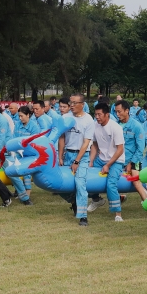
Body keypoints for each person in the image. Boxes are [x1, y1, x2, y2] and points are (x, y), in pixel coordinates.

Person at [58, 93, 95, 226]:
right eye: (71, 103)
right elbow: (62, 137)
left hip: (82, 156)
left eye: (74, 103)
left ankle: (83, 217)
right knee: (59, 184)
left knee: (80, 184)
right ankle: (74, 202)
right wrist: (60, 156)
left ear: (82, 105)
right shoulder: (65, 118)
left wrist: (77, 161)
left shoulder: (88, 120)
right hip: (68, 154)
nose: (71, 105)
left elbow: (86, 143)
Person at [88, 103, 125, 221]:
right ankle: (96, 199)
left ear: (107, 114)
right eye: (95, 114)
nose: (97, 117)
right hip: (101, 159)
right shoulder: (95, 125)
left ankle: (118, 214)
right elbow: (95, 145)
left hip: (116, 160)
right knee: (86, 176)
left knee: (111, 184)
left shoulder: (115, 127)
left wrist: (108, 165)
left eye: (99, 114)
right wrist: (91, 161)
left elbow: (120, 149)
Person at [13, 106, 41, 197]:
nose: (20, 118)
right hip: (18, 151)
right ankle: (18, 190)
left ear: (28, 115)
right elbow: (14, 138)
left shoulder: (34, 126)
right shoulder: (17, 124)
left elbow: (35, 142)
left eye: (22, 116)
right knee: (15, 169)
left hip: (29, 153)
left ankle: (27, 192)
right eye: (19, 116)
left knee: (26, 171)